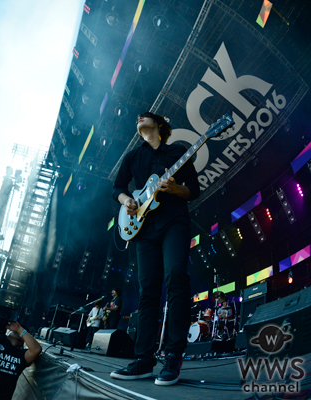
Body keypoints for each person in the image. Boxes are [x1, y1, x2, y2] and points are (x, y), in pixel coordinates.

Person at [110, 112, 200, 386]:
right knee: (147, 291)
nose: (139, 118)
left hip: (174, 221)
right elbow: (117, 187)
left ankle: (173, 355)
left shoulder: (178, 152)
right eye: (137, 118)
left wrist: (175, 190)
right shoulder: (133, 157)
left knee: (175, 276)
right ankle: (144, 360)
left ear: (159, 125)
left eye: (145, 116)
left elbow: (193, 189)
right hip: (144, 229)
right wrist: (127, 200)